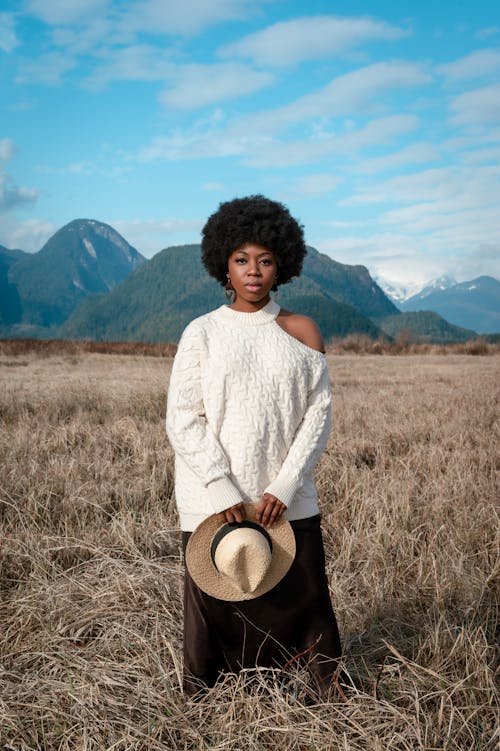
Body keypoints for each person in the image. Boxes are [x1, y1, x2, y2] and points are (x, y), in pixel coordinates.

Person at [166, 194, 342, 696]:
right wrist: (222, 488)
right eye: (242, 259)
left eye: (265, 260)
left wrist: (285, 485)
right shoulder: (201, 332)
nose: (253, 271)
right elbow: (182, 418)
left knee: (305, 594)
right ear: (223, 263)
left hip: (285, 497)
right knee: (216, 602)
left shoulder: (303, 331)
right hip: (212, 499)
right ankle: (211, 698)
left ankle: (319, 688)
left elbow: (318, 416)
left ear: (281, 263)